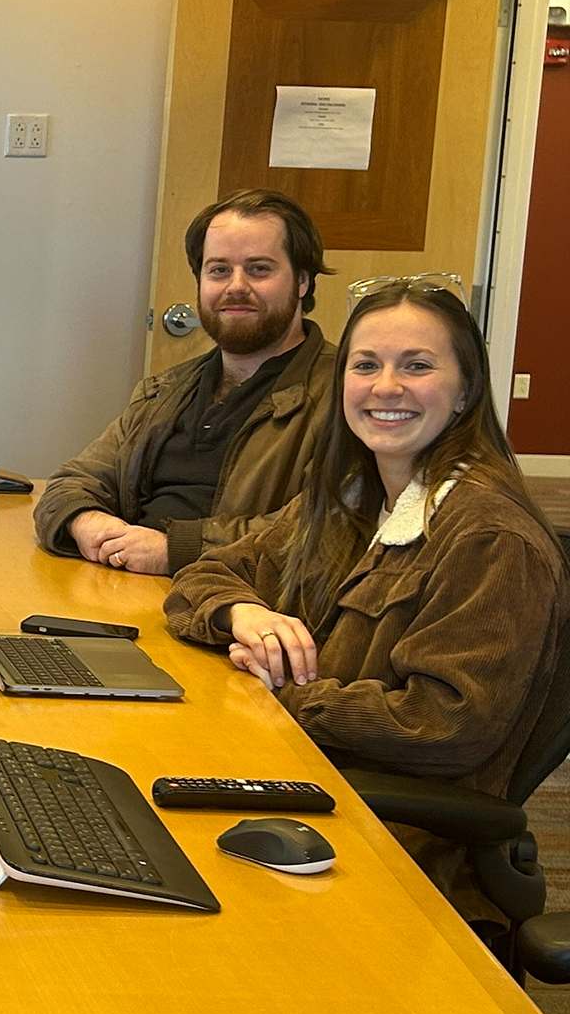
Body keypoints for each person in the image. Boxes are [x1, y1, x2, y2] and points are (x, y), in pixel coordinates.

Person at [166, 279, 567, 926]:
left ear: (465, 390)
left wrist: (285, 691)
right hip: (299, 787)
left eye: (416, 365)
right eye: (367, 365)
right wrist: (247, 613)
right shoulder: (349, 498)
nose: (386, 386)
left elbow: (443, 725)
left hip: (395, 852)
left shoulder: (490, 536)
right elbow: (206, 572)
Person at [33, 189, 337, 575]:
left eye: (259, 269)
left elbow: (323, 531)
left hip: (239, 613)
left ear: (302, 282)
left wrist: (175, 549)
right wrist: (89, 522)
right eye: (219, 270)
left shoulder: (345, 396)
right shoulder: (165, 390)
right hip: (124, 590)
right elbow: (72, 481)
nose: (236, 286)